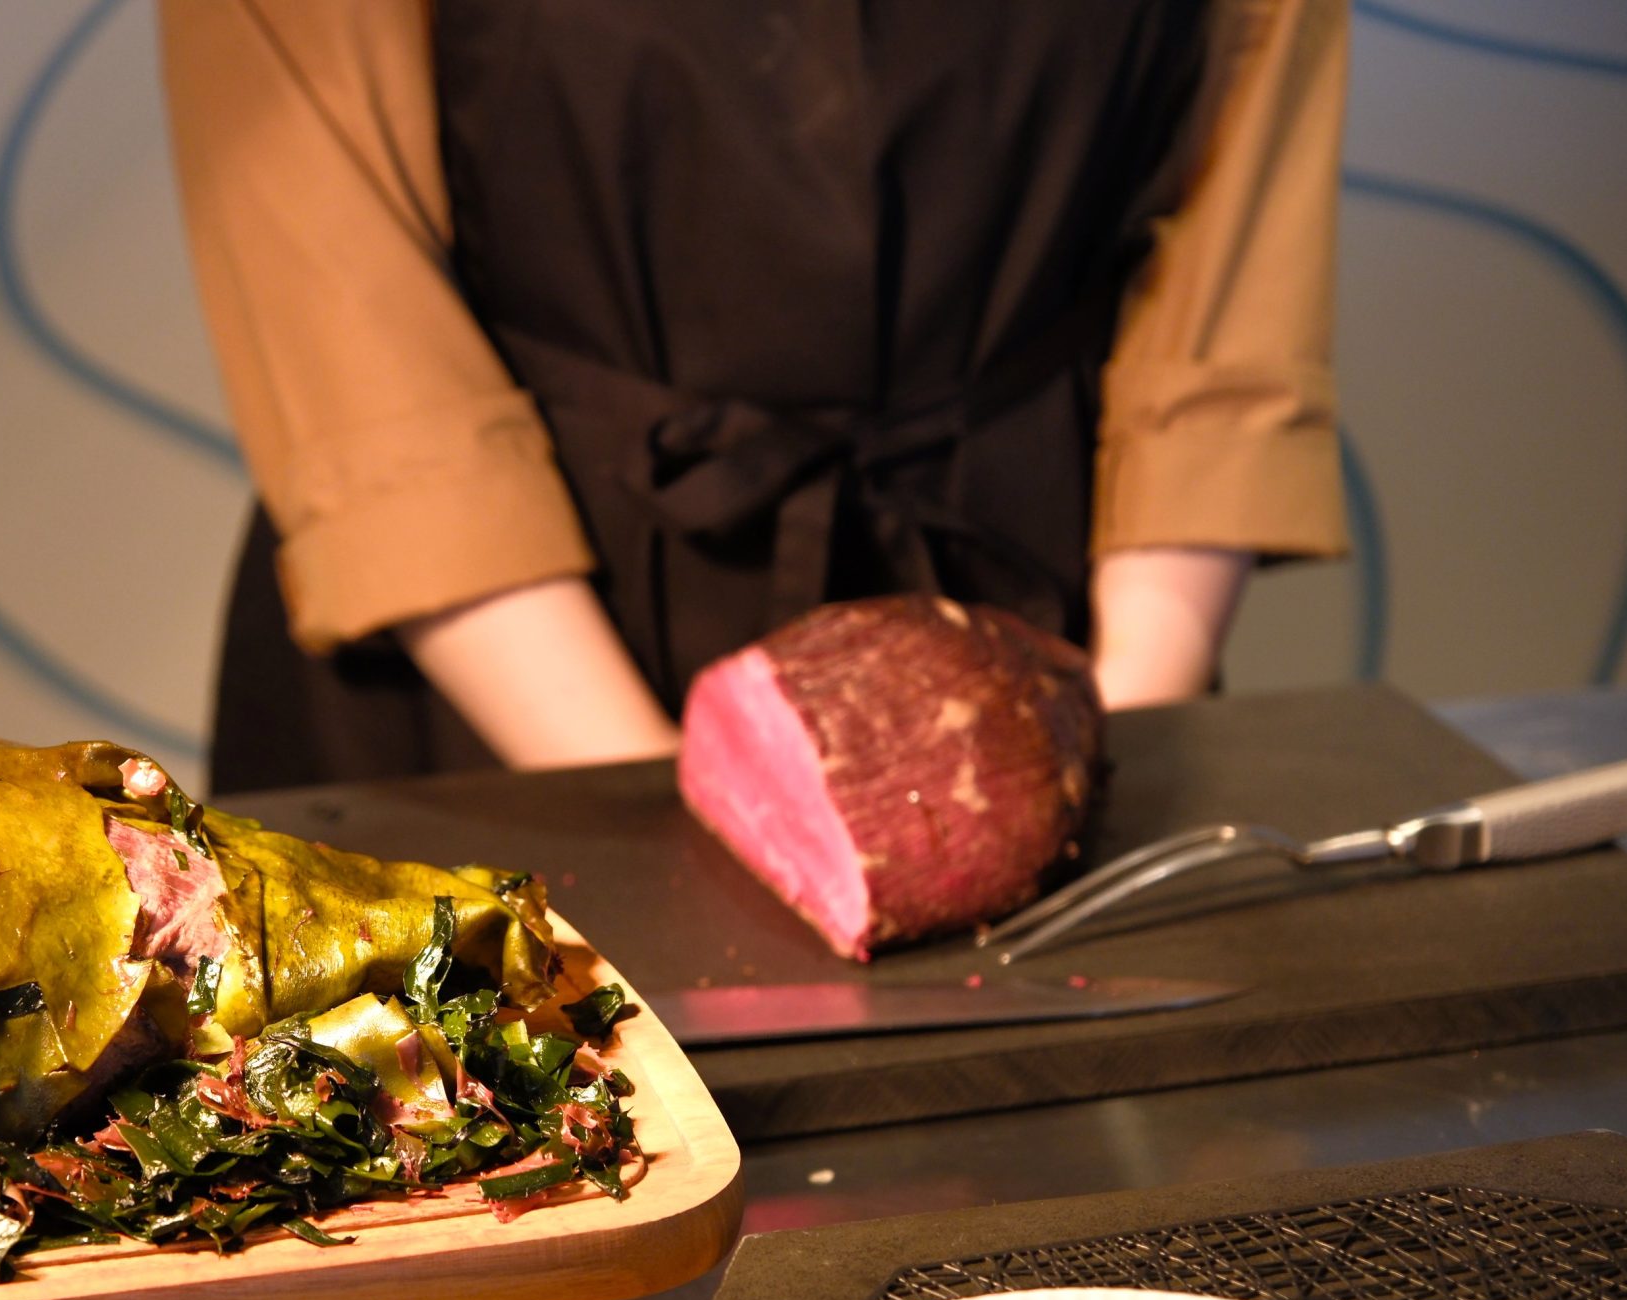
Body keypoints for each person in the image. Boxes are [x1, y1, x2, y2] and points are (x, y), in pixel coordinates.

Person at [158, 0, 1352, 791]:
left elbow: (1229, 277)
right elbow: (352, 319)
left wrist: (1114, 717)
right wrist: (629, 783)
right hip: (492, 663)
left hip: (1041, 636)